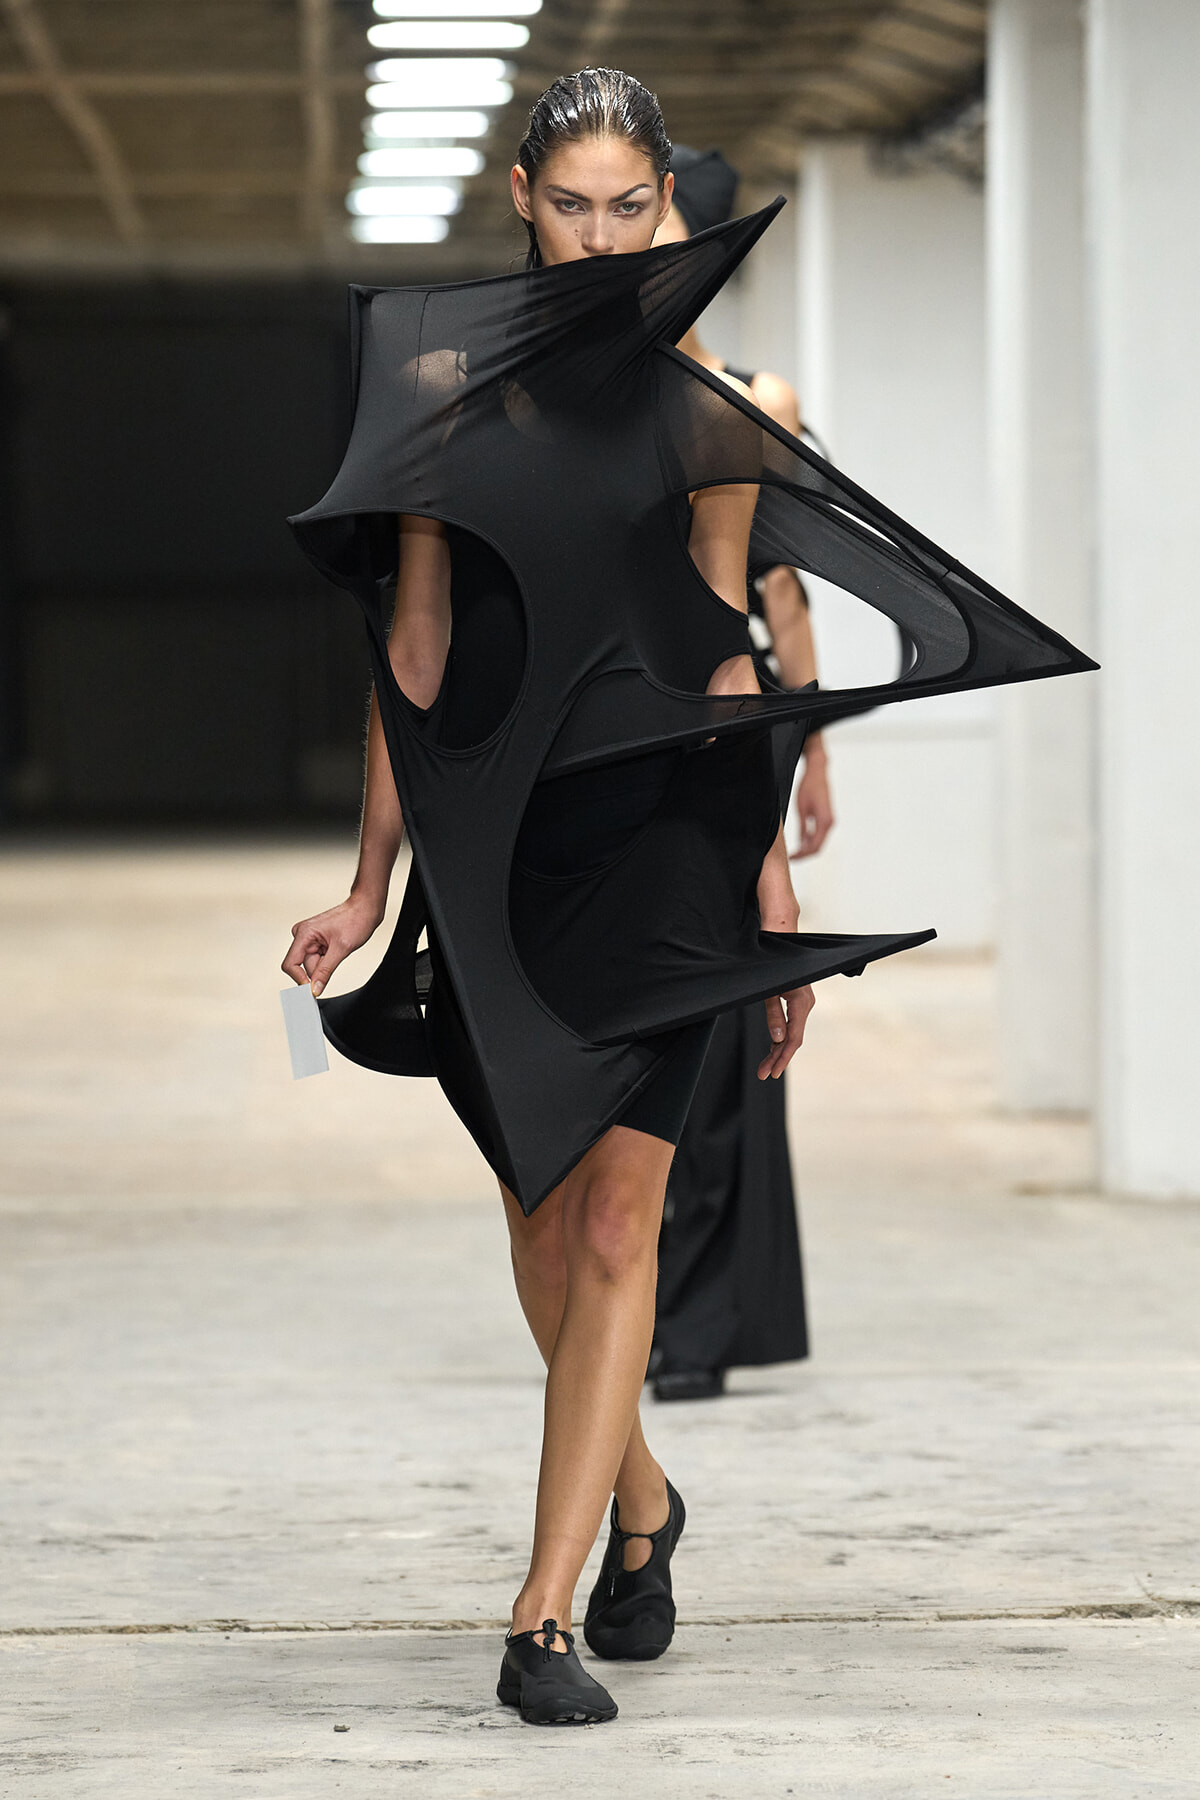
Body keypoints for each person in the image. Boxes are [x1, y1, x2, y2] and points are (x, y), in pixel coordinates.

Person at [281, 68, 1094, 1728]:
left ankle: (541, 1617)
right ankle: (642, 1500)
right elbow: (416, 653)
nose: (600, 235)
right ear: (523, 197)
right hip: (502, 848)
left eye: (629, 209)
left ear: (672, 212)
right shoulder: (443, 393)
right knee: (534, 1219)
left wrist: (769, 879)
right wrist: (373, 874)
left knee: (615, 1218)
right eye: (571, 204)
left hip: (664, 840)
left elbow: (728, 660)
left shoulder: (731, 401)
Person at [649, 147, 834, 1403]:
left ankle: (695, 1320)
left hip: (732, 711)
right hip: (635, 713)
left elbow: (780, 583)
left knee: (725, 1032)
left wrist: (807, 748)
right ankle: (652, 1302)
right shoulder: (601, 389)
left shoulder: (754, 397)